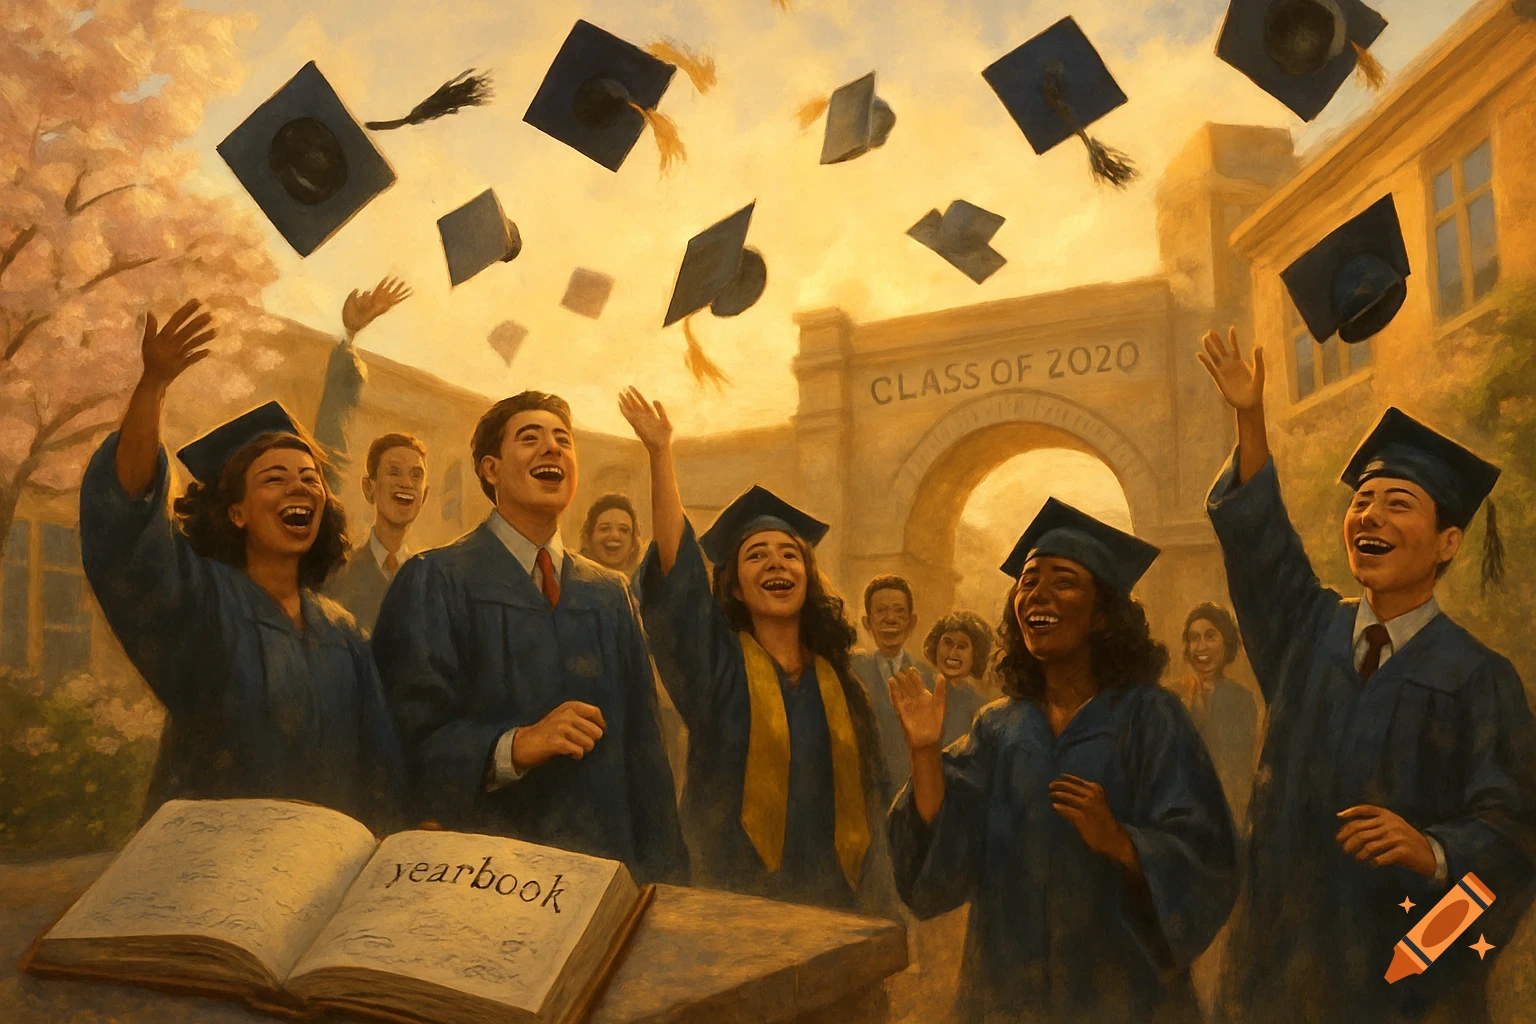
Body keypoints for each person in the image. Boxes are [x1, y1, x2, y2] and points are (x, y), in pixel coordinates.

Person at [1199, 327, 1536, 1024]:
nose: (1370, 515)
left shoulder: (1479, 679)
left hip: (1405, 985)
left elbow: (1514, 833)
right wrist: (1249, 418)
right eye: (1362, 500)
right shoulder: (1305, 630)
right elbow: (1261, 546)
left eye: (1398, 503)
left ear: (1448, 542)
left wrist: (1435, 852)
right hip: (1276, 976)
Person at [887, 498, 1237, 1023]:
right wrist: (923, 753)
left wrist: (1120, 841)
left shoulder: (1151, 716)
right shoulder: (998, 726)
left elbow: (1207, 856)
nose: (1038, 595)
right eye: (1028, 581)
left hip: (1124, 991)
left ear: (1102, 615)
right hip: (1007, 989)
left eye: (1064, 580)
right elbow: (943, 857)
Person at [79, 299, 403, 830]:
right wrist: (154, 387)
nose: (300, 485)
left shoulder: (345, 637)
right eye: (274, 478)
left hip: (325, 870)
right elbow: (128, 526)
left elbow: (382, 770)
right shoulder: (204, 602)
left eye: (308, 477)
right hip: (210, 867)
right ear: (236, 512)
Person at [372, 391, 687, 884]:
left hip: (604, 876)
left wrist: (664, 887)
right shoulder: (437, 579)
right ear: (491, 470)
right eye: (530, 438)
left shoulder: (609, 596)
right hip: (488, 880)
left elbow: (645, 758)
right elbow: (403, 742)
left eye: (563, 440)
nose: (552, 450)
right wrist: (514, 745)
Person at [620, 387, 892, 913]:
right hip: (732, 900)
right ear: (735, 587)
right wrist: (661, 454)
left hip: (839, 905)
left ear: (809, 578)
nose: (775, 564)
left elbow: (873, 802)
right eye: (756, 556)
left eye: (790, 554)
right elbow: (677, 585)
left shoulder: (844, 685)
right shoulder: (717, 668)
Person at [312, 276, 413, 496]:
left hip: (337, 453)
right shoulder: (342, 360)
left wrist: (353, 330)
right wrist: (351, 330)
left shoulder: (354, 359)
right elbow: (338, 379)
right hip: (331, 451)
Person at [324, 433, 428, 632]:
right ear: (368, 488)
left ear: (425, 495)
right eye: (394, 472)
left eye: (416, 475)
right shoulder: (338, 573)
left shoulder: (430, 579)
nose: (406, 483)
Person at [1170, 602, 1257, 829]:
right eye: (1194, 638)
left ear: (1226, 642)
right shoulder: (1171, 696)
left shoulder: (1241, 698)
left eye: (1210, 636)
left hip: (1227, 814)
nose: (1201, 647)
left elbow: (1240, 768)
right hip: (1181, 812)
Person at [850, 575, 936, 794]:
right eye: (881, 611)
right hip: (863, 790)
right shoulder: (851, 671)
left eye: (899, 612)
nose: (891, 619)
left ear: (911, 621)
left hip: (912, 791)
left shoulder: (928, 677)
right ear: (867, 623)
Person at [921, 611, 993, 743]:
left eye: (962, 647)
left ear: (975, 655)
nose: (953, 652)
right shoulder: (920, 689)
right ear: (936, 646)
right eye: (947, 643)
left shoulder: (978, 706)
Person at [580, 493, 642, 573]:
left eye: (623, 529)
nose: (615, 536)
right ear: (588, 537)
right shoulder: (573, 578)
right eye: (605, 529)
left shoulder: (642, 580)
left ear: (633, 541)